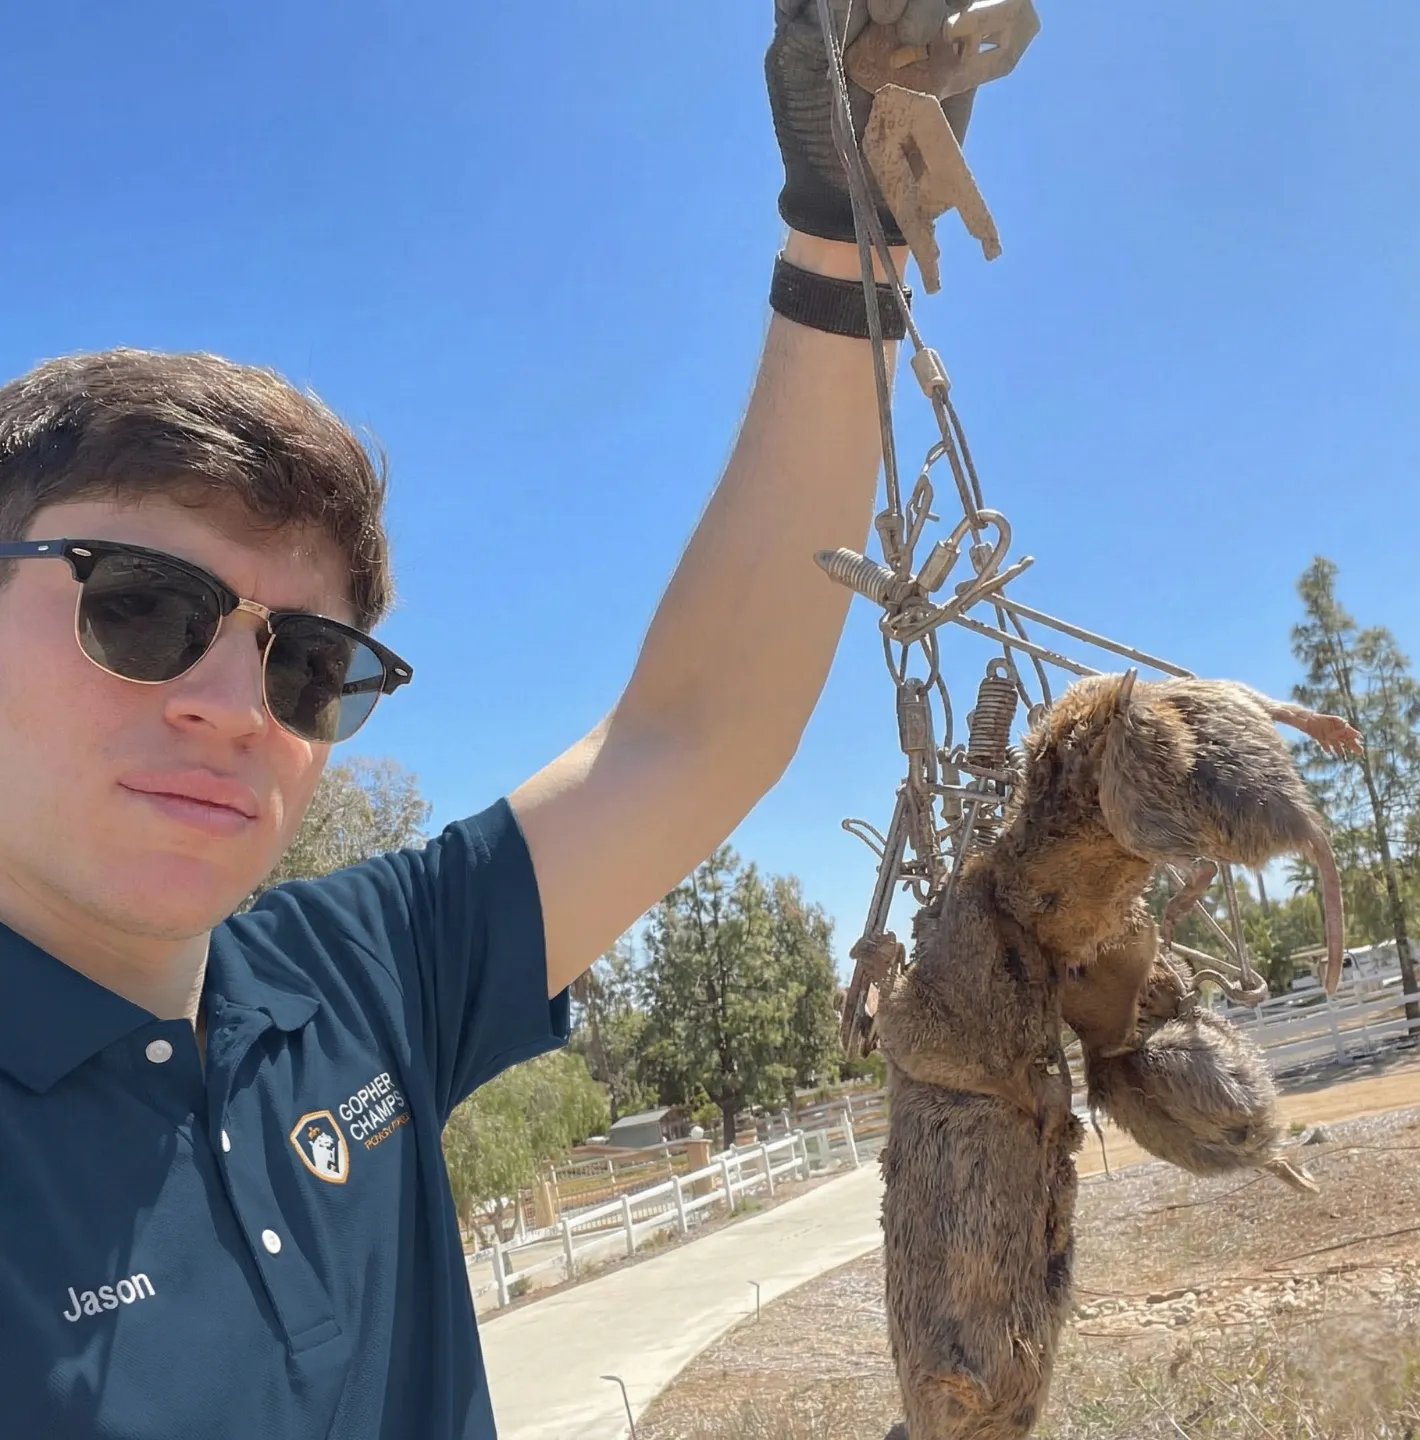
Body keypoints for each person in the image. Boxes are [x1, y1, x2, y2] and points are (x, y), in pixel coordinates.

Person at [0, 5, 977, 1437]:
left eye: (305, 663)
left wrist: (850, 225)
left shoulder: (358, 976)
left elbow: (688, 736)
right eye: (140, 607)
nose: (231, 708)